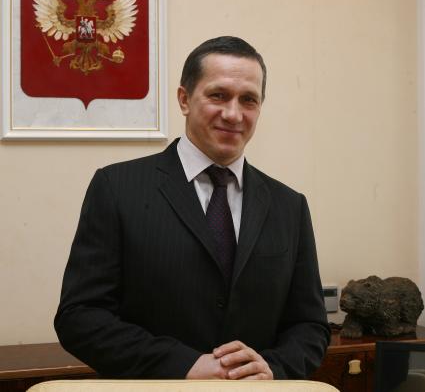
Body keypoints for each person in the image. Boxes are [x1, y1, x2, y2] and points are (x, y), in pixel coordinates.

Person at [54, 36, 330, 380]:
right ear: (184, 99)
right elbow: (80, 316)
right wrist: (183, 365)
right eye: (218, 95)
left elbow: (309, 325)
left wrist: (272, 368)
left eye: (248, 100)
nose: (233, 114)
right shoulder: (117, 188)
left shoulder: (290, 206)